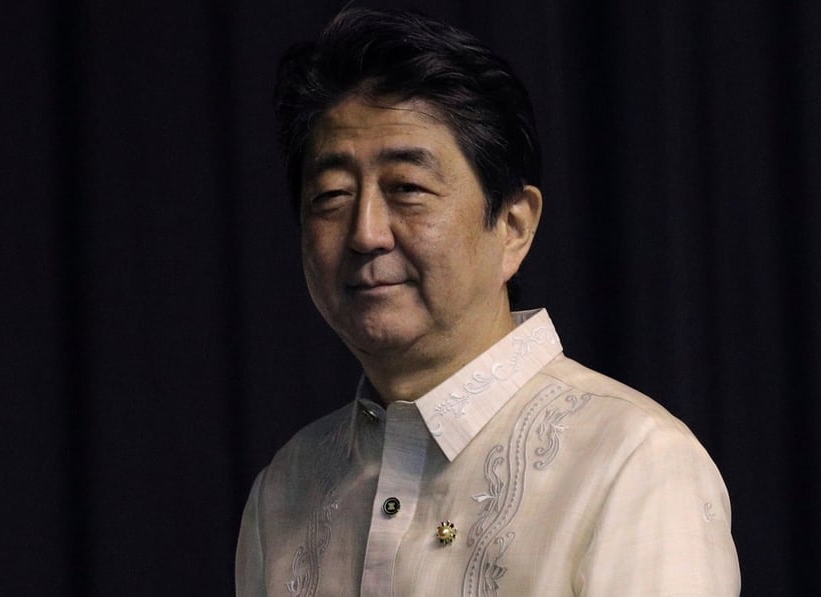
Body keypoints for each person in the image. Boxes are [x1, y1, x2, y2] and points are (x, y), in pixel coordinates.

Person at [236, 7, 740, 596]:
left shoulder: (632, 462)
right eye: (332, 195)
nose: (366, 232)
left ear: (513, 226)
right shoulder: (287, 488)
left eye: (408, 189)